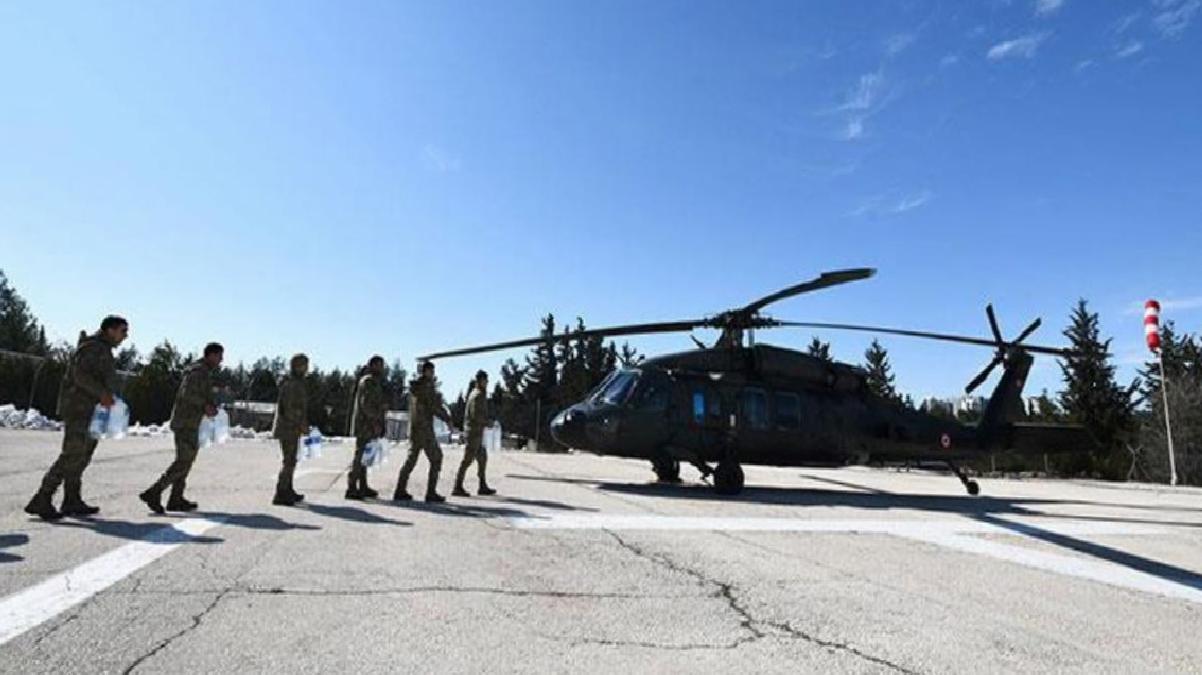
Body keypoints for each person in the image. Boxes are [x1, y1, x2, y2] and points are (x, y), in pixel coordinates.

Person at [24, 315, 128, 521]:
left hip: (92, 410)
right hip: (79, 409)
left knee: (82, 455)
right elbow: (79, 375)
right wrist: (102, 393)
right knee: (72, 454)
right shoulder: (92, 348)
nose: (125, 336)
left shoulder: (103, 349)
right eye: (123, 331)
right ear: (110, 330)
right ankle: (42, 497)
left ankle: (72, 499)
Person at [139, 342, 223, 514]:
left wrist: (209, 405)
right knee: (184, 461)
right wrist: (205, 405)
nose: (221, 360)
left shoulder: (203, 372)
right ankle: (154, 492)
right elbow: (188, 394)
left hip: (190, 422)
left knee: (186, 460)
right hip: (185, 422)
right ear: (211, 355)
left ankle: (176, 498)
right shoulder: (198, 372)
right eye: (219, 356)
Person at [394, 360, 452, 502]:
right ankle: (431, 493)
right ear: (425, 372)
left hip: (415, 429)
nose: (433, 374)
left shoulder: (416, 388)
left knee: (411, 460)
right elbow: (434, 406)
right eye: (431, 371)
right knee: (436, 458)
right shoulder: (426, 388)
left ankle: (400, 490)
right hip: (425, 430)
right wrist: (447, 418)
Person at [272, 353, 309, 506]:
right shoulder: (292, 384)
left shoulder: (296, 383)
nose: (306, 369)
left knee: (292, 460)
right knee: (289, 461)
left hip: (292, 427)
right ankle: (281, 493)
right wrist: (301, 423)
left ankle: (288, 489)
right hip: (288, 427)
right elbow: (290, 409)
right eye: (304, 365)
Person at [346, 355, 385, 500]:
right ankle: (351, 487)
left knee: (366, 457)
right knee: (360, 456)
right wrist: (375, 421)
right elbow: (366, 404)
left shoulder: (374, 382)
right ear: (373, 366)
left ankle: (363, 485)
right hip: (365, 425)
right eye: (379, 365)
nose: (381, 369)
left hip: (369, 424)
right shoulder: (368, 382)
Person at [453, 370, 496, 497]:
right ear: (480, 381)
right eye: (485, 380)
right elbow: (475, 415)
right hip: (473, 432)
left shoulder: (478, 394)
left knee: (482, 458)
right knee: (467, 459)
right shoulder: (477, 395)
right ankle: (457, 486)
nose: (487, 382)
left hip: (476, 432)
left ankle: (482, 485)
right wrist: (487, 422)